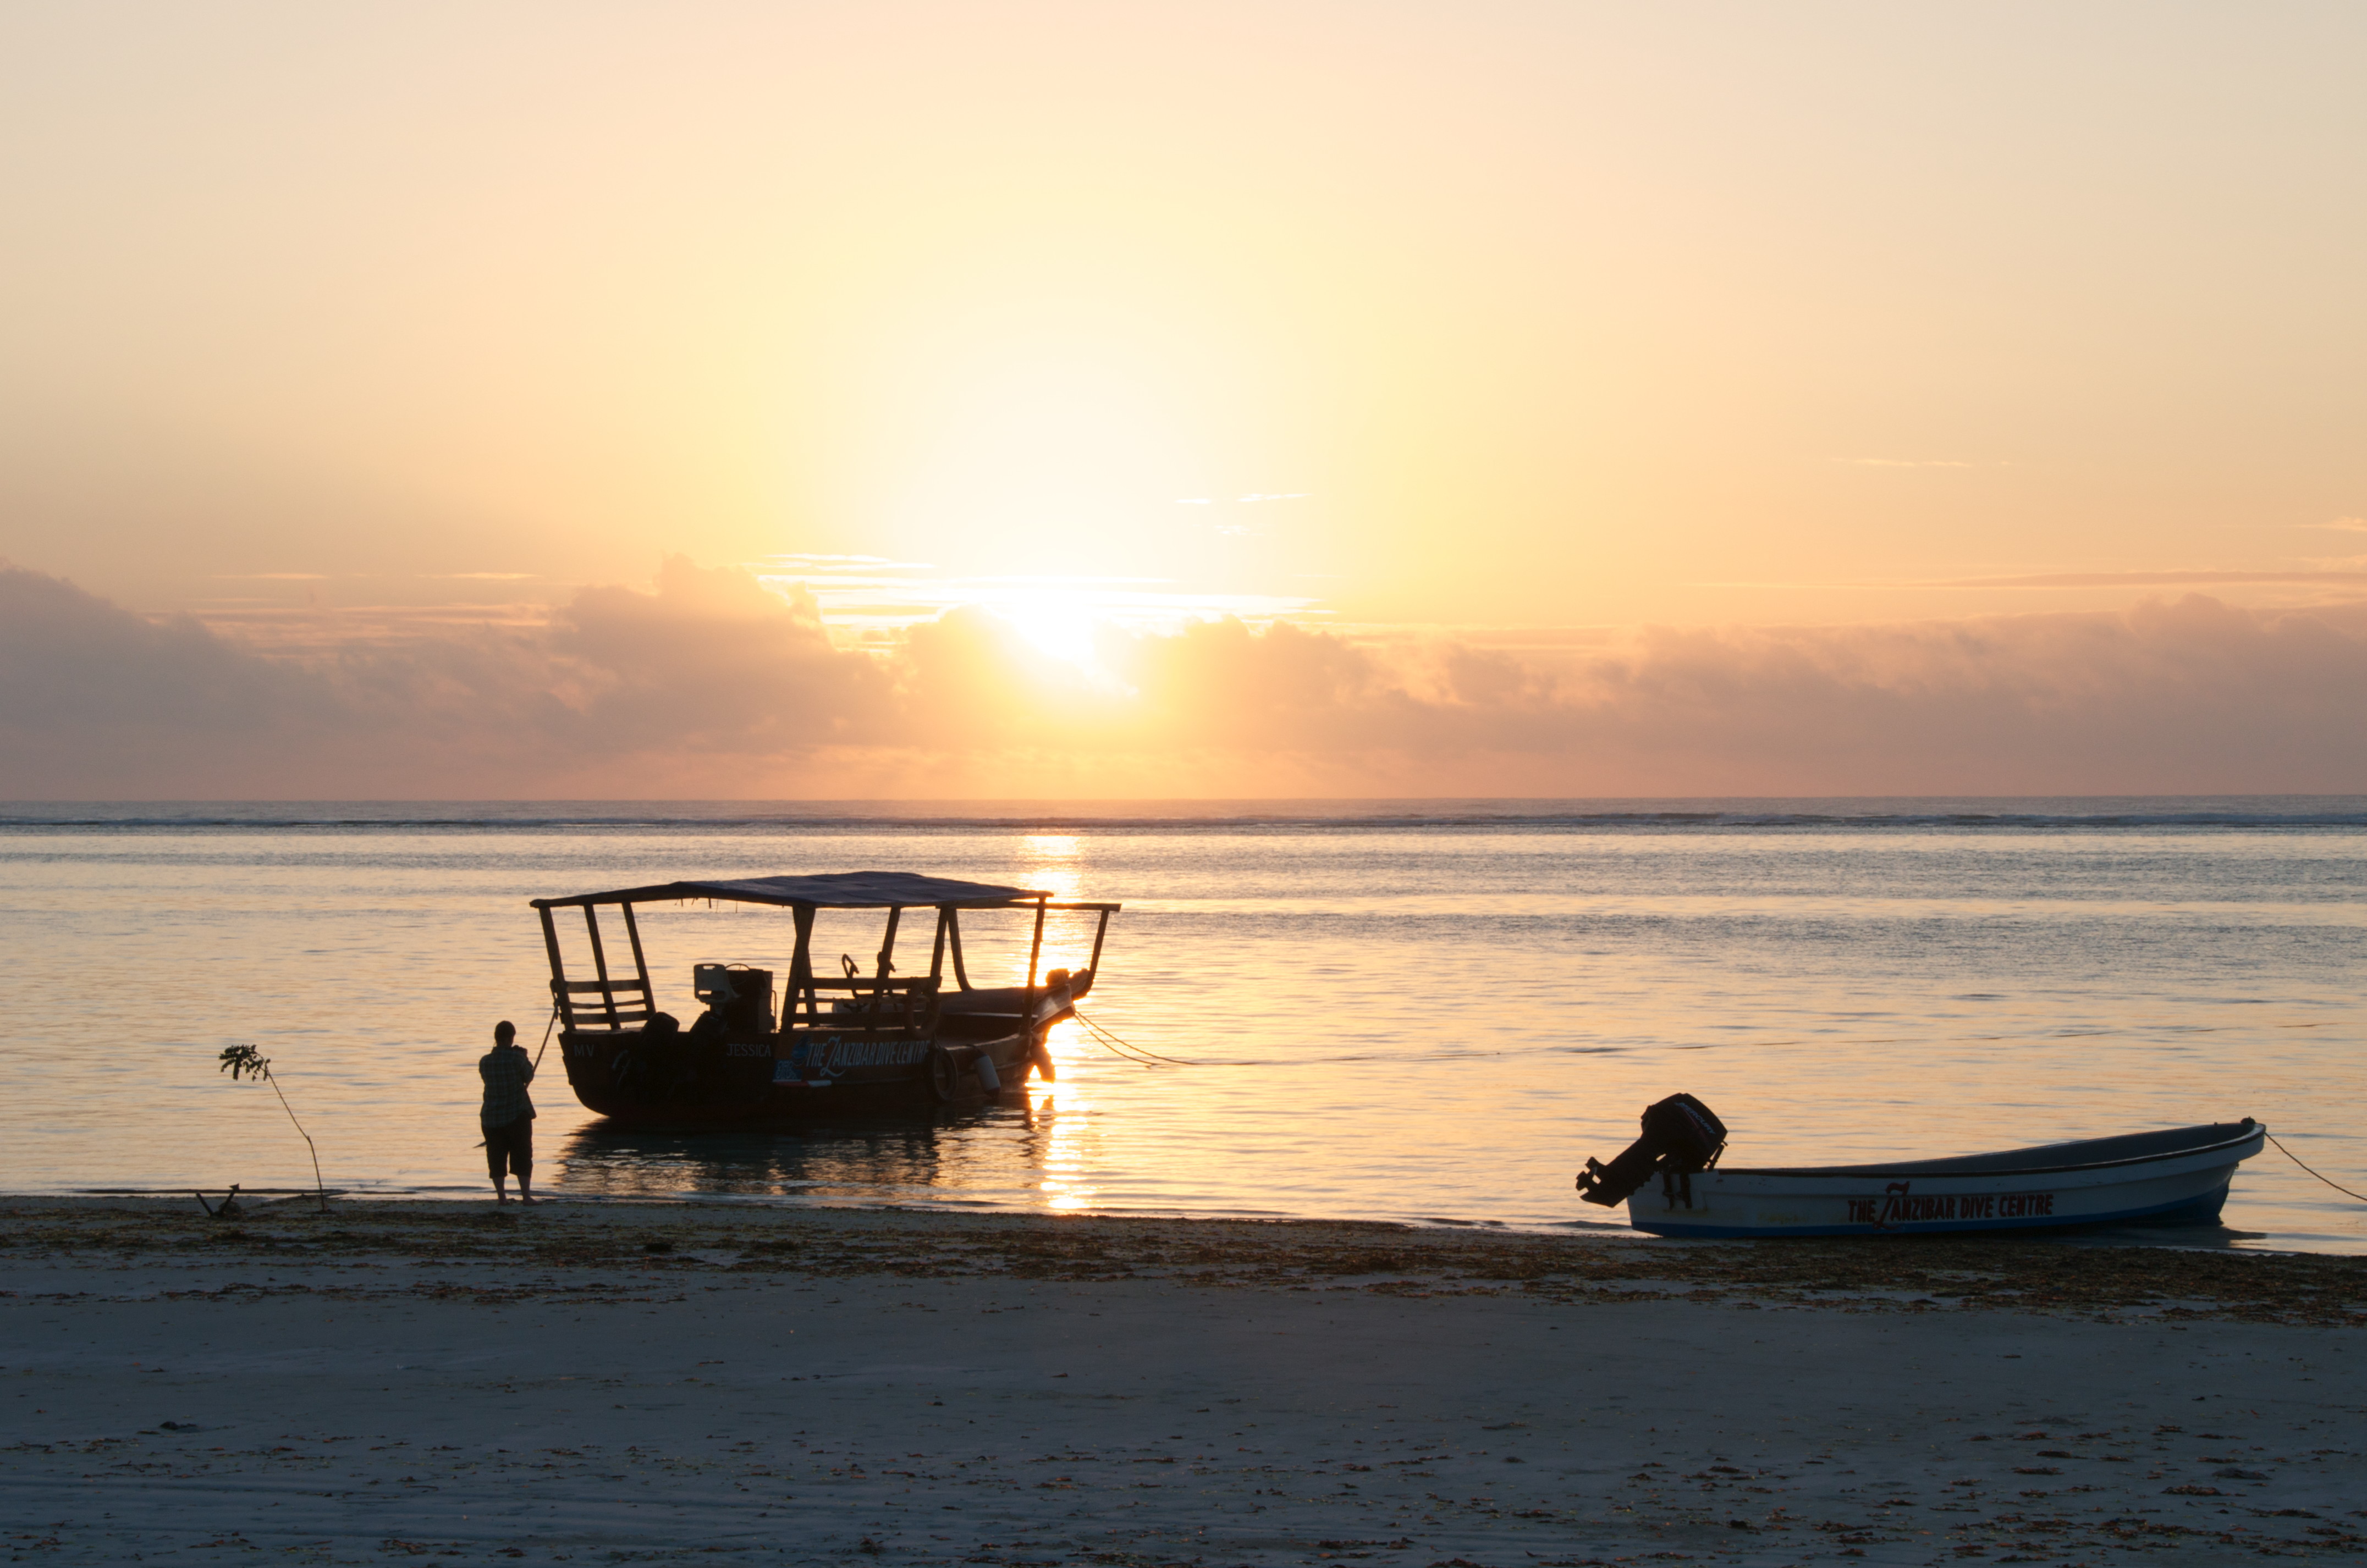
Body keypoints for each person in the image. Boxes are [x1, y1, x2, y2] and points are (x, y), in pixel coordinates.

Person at [478, 1019, 537, 1203]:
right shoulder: (516, 1058)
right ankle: (526, 1197)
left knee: (496, 1157)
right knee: (522, 1155)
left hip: (491, 1117)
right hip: (516, 1115)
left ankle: (502, 1198)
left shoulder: (485, 1061)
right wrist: (525, 1057)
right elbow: (529, 1076)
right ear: (509, 1038)